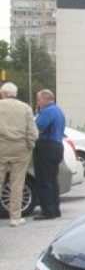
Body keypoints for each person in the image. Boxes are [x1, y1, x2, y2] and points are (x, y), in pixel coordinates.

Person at [0, 82, 39, 226]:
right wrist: (30, 145)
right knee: (17, 183)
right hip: (21, 148)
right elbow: (33, 132)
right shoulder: (25, 108)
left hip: (1, 147)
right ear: (15, 94)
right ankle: (15, 217)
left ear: (3, 93)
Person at [33, 89, 66, 220]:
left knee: (44, 180)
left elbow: (38, 128)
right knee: (52, 180)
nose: (38, 102)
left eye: (39, 99)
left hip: (47, 146)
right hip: (57, 146)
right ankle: (55, 209)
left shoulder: (47, 111)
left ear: (46, 99)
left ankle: (48, 211)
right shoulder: (58, 110)